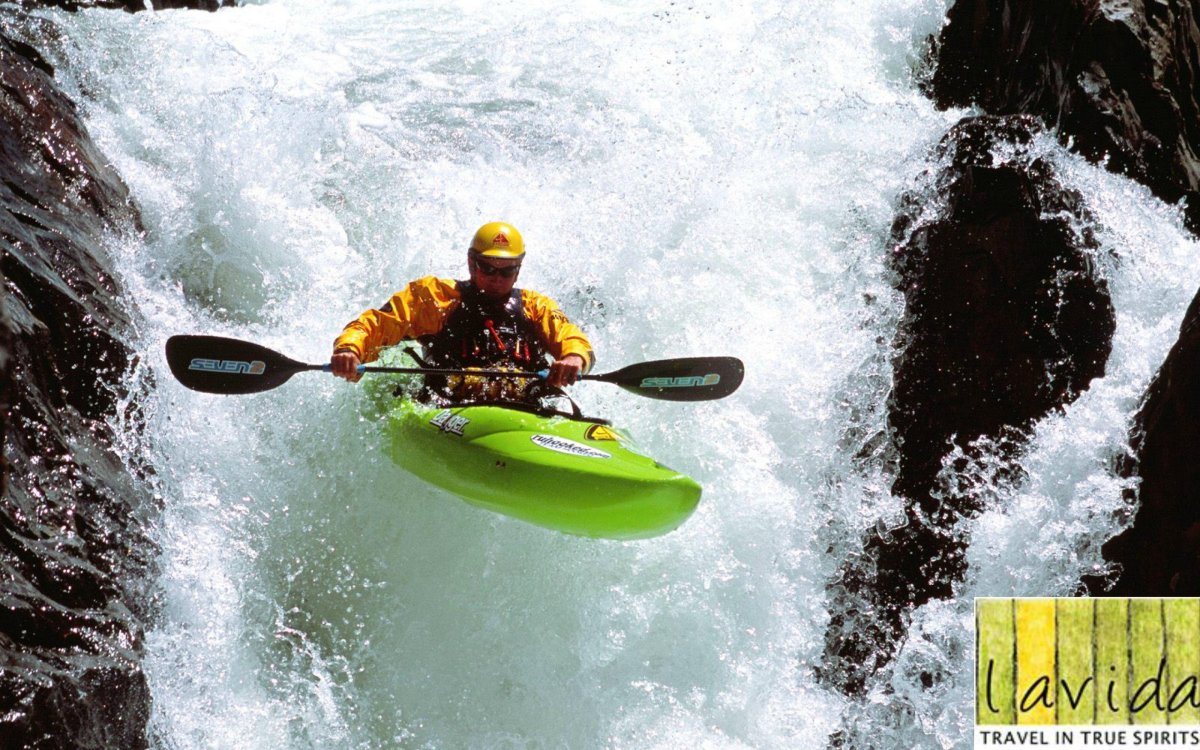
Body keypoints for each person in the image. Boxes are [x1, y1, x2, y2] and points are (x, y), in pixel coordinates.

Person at [330, 222, 593, 402]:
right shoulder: (434, 298)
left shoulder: (536, 306)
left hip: (528, 407)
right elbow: (374, 325)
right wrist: (349, 350)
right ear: (471, 261)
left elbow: (573, 340)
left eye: (507, 271)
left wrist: (573, 360)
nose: (497, 278)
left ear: (519, 268)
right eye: (487, 268)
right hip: (450, 405)